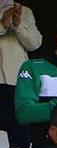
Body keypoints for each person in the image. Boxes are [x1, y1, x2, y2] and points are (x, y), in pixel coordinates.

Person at [0, 3, 41, 136]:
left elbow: (34, 43)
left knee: (18, 132)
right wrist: (2, 25)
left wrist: (18, 25)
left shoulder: (25, 11)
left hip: (16, 81)